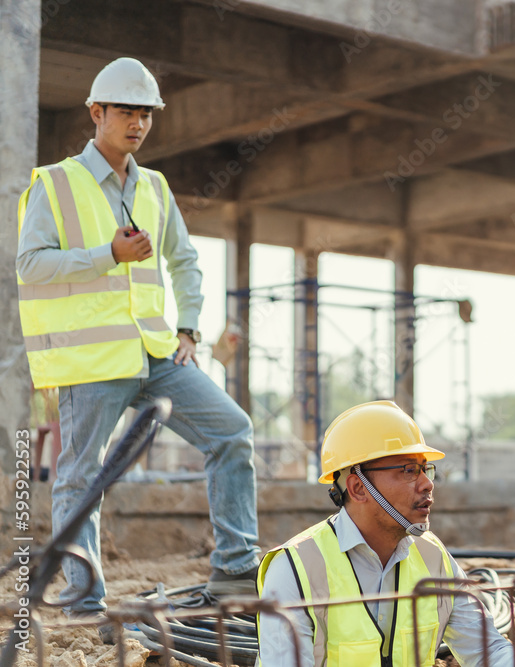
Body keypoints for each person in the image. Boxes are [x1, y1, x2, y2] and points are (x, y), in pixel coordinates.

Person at [15, 57, 260, 635]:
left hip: (156, 354)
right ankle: (82, 602)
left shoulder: (153, 187)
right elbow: (30, 264)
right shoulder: (52, 182)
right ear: (96, 113)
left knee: (232, 432)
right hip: (92, 360)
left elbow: (184, 261)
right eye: (126, 111)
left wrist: (190, 329)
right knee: (80, 477)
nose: (138, 123)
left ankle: (234, 569)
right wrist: (108, 254)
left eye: (145, 113)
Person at [257, 401, 515, 667]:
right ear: (359, 489)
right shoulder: (295, 569)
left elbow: (489, 652)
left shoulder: (433, 557)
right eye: (409, 470)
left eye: (425, 469)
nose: (426, 484)